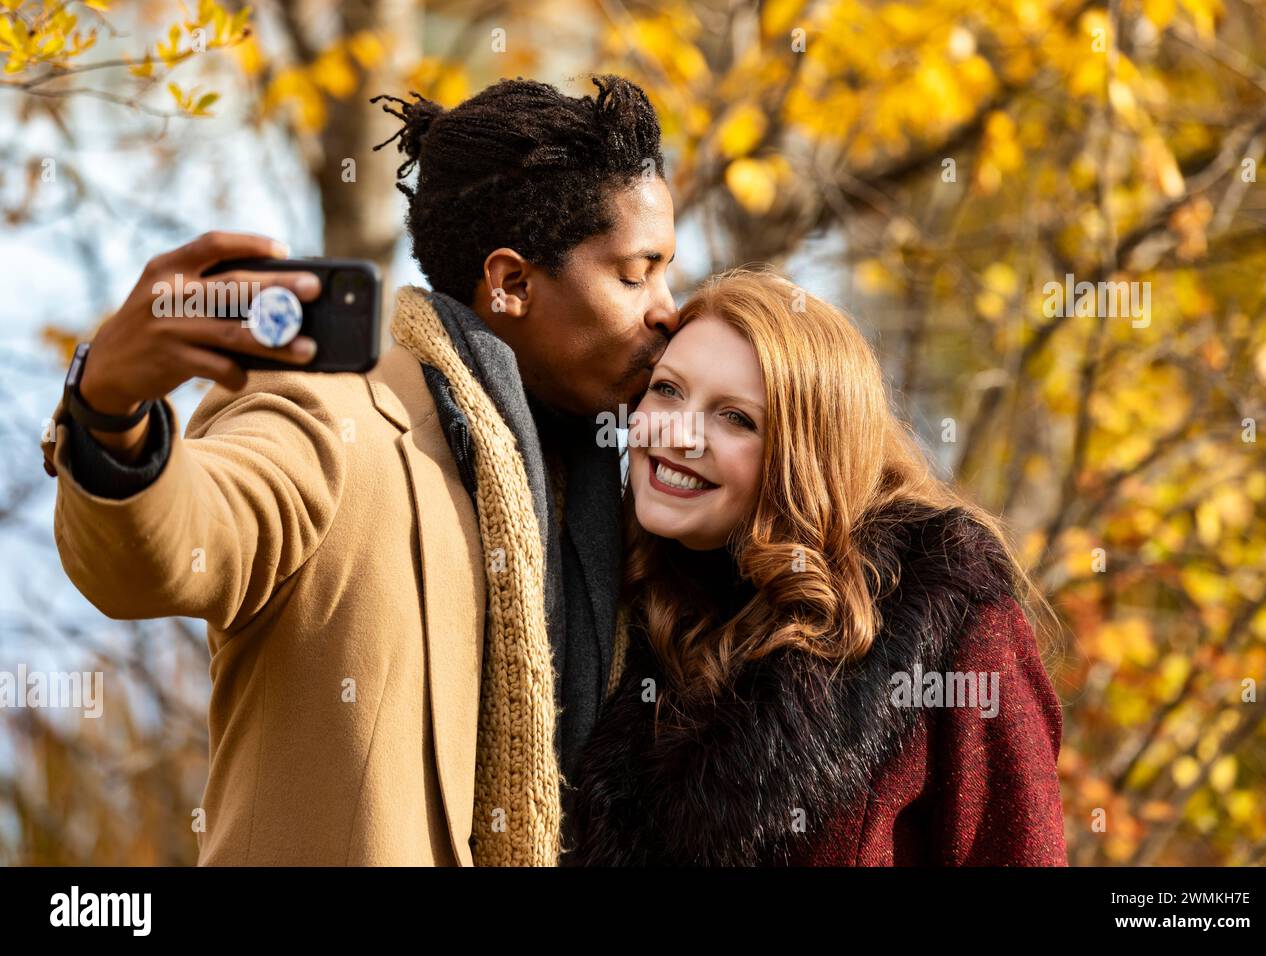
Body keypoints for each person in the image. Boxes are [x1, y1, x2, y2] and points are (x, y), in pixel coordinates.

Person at [40, 74, 679, 866]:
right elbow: (169, 549)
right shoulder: (336, 416)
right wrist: (109, 411)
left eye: (666, 271)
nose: (666, 307)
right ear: (511, 283)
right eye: (635, 272)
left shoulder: (622, 488)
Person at [561, 268, 1069, 866]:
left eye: (736, 418)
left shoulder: (943, 608)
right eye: (668, 390)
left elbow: (1017, 850)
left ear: (803, 456)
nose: (678, 432)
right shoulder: (622, 603)